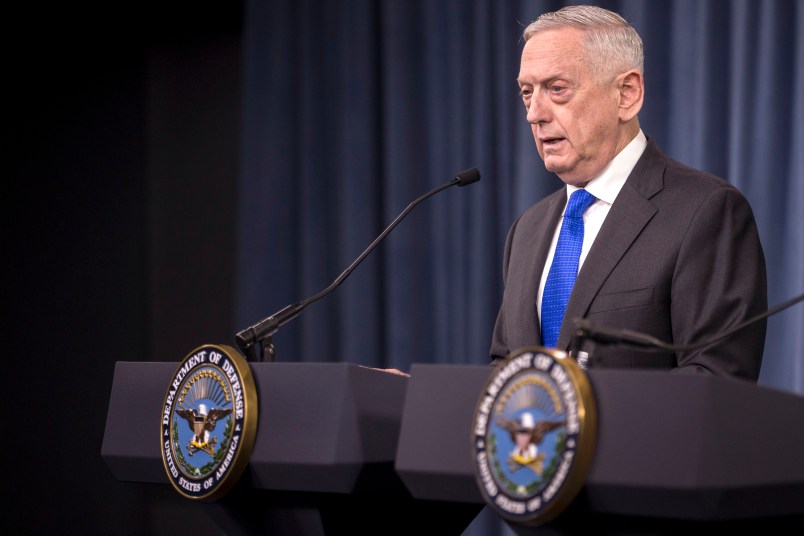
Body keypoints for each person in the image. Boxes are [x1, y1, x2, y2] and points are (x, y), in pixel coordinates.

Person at [489, 5, 767, 381]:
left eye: (557, 89)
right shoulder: (528, 229)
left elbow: (714, 378)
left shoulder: (704, 211)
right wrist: (425, 397)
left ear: (626, 94)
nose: (534, 113)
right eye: (527, 92)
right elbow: (504, 373)